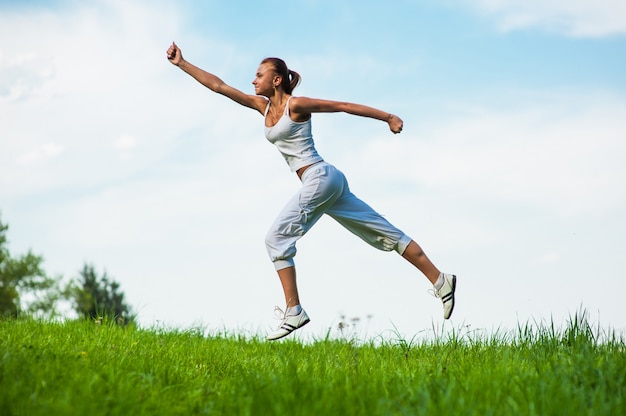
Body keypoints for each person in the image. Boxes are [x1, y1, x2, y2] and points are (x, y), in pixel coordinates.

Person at [166, 42, 457, 341]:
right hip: (327, 182)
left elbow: (342, 106)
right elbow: (218, 86)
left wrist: (388, 117)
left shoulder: (296, 104)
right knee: (383, 232)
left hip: (320, 177)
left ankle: (294, 311)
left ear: (276, 80)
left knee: (275, 239)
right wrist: (182, 63)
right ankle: (440, 279)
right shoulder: (262, 106)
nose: (253, 81)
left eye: (259, 75)